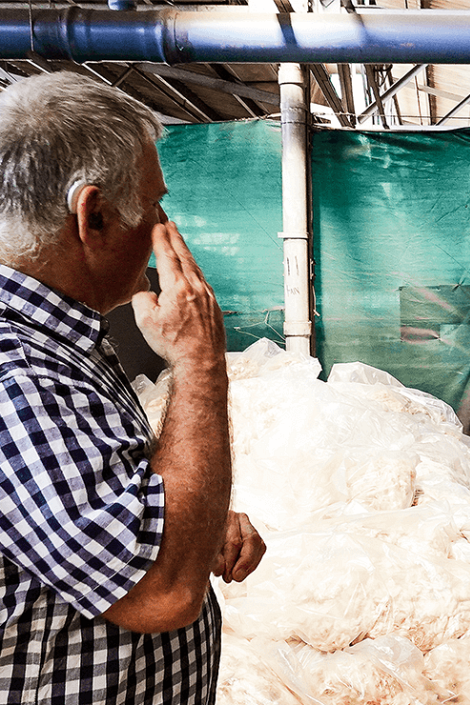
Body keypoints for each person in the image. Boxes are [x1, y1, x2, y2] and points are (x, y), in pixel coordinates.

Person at [0, 71, 265, 703]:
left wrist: (188, 521)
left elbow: (80, 509)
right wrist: (200, 359)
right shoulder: (17, 376)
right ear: (91, 216)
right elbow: (161, 591)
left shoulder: (63, 345)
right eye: (152, 206)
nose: (163, 225)